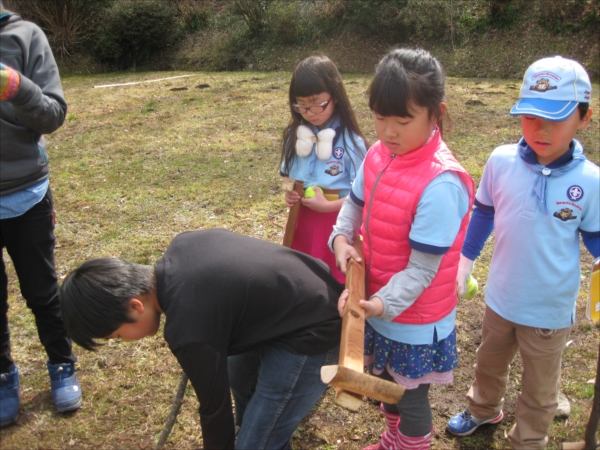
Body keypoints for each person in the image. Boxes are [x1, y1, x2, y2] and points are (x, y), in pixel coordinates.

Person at [59, 228, 343, 449]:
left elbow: (214, 409)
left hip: (317, 333)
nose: (125, 341)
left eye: (118, 335)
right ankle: (266, 434)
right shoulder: (183, 244)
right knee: (239, 376)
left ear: (135, 306)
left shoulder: (188, 330)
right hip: (309, 296)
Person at [446, 55, 599, 448]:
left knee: (540, 385)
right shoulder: (501, 161)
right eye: (531, 117)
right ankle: (483, 409)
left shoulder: (591, 181)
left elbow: (596, 237)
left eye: (556, 118)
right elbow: (483, 213)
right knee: (488, 362)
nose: (540, 129)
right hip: (500, 297)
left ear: (585, 117)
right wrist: (466, 261)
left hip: (549, 308)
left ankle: (529, 438)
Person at [330, 48, 474, 450]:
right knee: (386, 385)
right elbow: (354, 205)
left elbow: (421, 272)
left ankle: (411, 445)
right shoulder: (379, 154)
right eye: (379, 118)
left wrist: (377, 305)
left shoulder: (441, 185)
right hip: (379, 301)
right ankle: (392, 439)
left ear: (436, 113)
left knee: (410, 397)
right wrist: (342, 239)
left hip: (413, 317)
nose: (388, 131)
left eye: (403, 120)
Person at [0, 0, 82, 428]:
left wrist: (17, 86)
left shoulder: (25, 35)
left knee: (41, 291)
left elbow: (53, 115)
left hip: (24, 194)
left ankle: (62, 363)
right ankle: (2, 376)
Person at [280, 54, 368, 283]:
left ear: (335, 96)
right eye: (301, 105)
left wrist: (328, 206)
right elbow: (288, 175)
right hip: (302, 219)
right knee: (301, 272)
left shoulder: (351, 143)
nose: (309, 112)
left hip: (336, 221)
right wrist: (289, 193)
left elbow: (365, 197)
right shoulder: (294, 136)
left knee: (330, 277)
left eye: (317, 103)